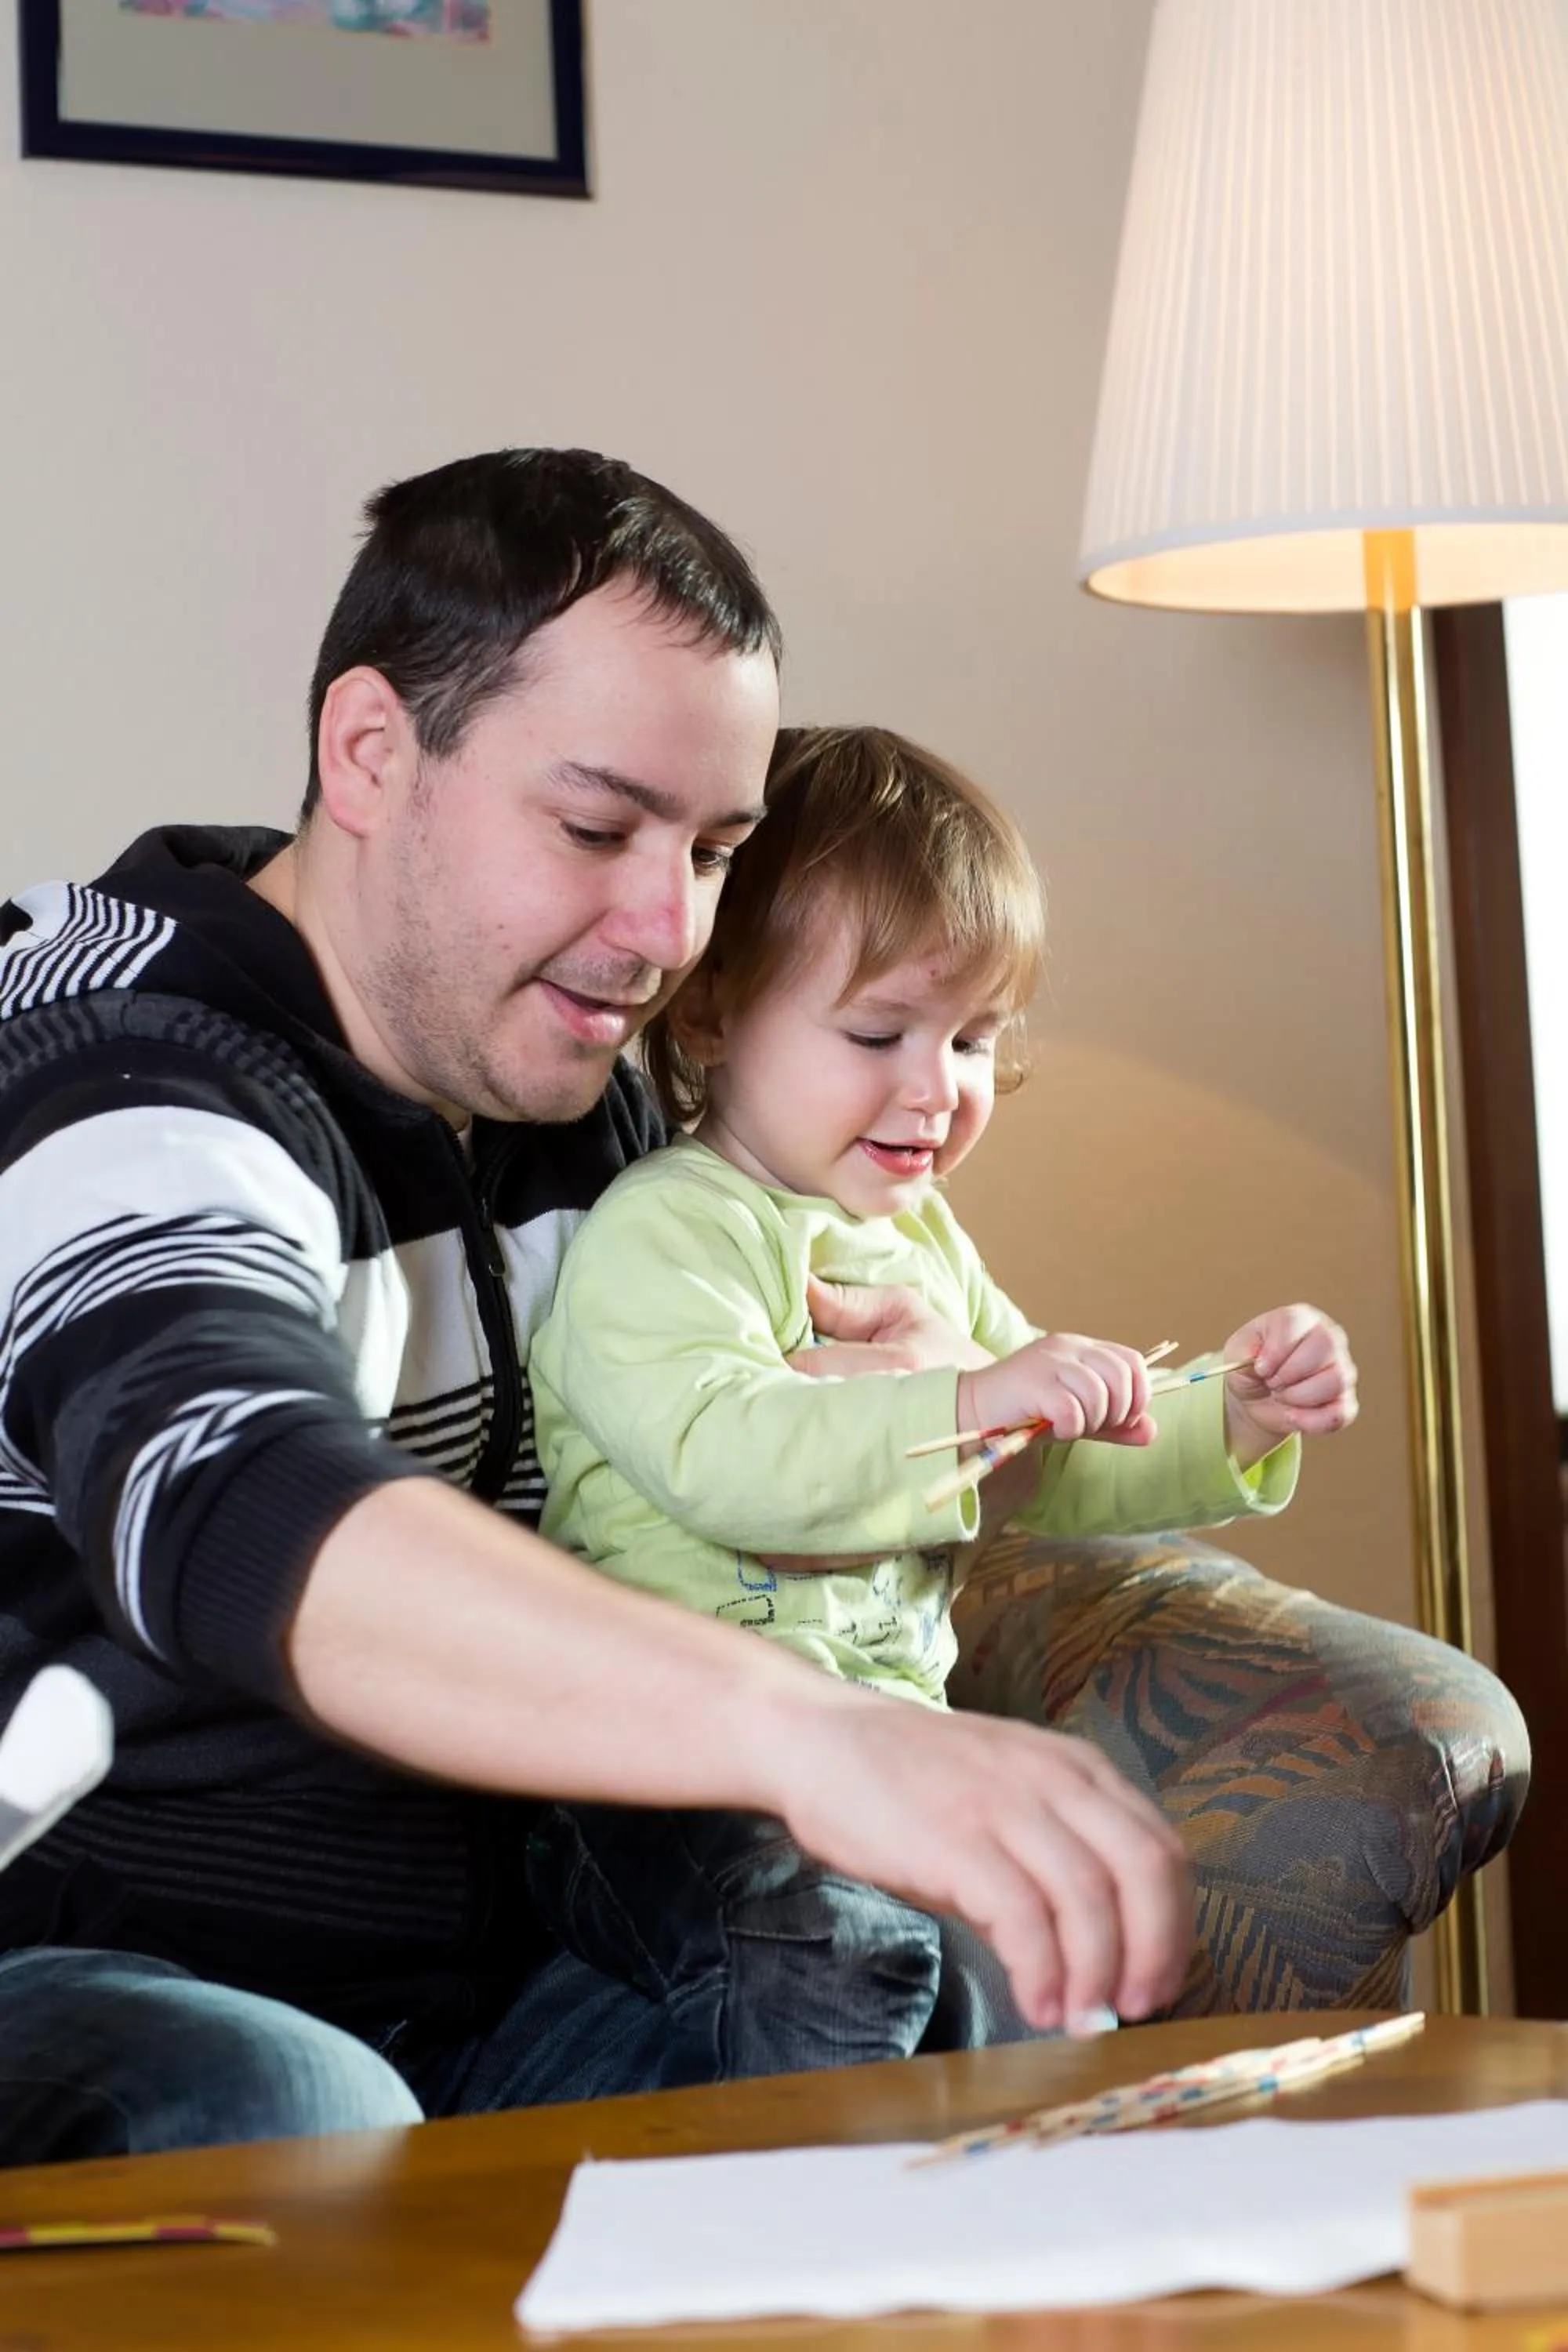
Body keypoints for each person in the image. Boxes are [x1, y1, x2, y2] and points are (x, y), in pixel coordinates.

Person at [0, 447, 1201, 2168]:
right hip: (81, 1966)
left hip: (493, 1982)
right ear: (370, 752)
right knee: (294, 2106)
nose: (663, 932)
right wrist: (808, 1735)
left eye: (713, 849)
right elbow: (231, 1487)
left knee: (929, 1980)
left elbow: (782, 1437)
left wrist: (942, 1401)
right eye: (594, 827)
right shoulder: (115, 1073)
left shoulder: (580, 1088)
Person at [525, 725, 1359, 2082]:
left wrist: (1236, 1416)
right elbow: (720, 1453)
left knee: (1033, 1936)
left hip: (885, 1746)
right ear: (715, 1013)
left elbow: (1054, 1471)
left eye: (972, 1038)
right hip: (667, 1757)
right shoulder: (667, 1230)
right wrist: (966, 1397)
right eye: (878, 1032)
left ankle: (1004, 2204)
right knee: (821, 1936)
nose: (938, 1089)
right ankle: (795, 2224)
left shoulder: (921, 1243)